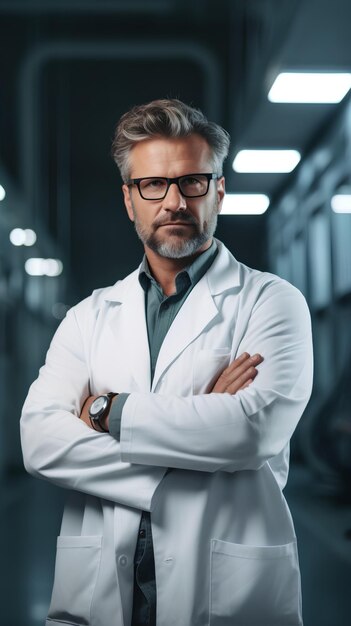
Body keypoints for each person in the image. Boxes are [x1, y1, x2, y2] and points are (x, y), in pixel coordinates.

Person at [20, 98, 313, 626]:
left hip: (228, 591)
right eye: (153, 185)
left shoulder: (272, 301)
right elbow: (40, 441)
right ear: (129, 199)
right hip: (101, 591)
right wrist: (201, 433)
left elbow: (252, 432)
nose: (174, 201)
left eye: (193, 182)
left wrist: (107, 411)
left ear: (218, 190)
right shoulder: (90, 317)